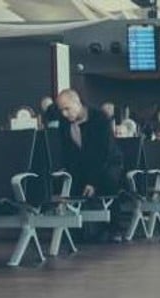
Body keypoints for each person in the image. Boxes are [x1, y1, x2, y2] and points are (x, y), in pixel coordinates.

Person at [56, 88, 124, 240]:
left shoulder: (100, 119)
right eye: (61, 110)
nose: (64, 114)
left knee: (109, 179)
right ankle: (78, 229)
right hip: (83, 164)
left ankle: (115, 228)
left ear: (77, 103)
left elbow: (103, 153)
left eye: (67, 109)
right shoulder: (64, 123)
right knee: (71, 182)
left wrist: (93, 182)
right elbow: (67, 153)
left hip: (109, 163)